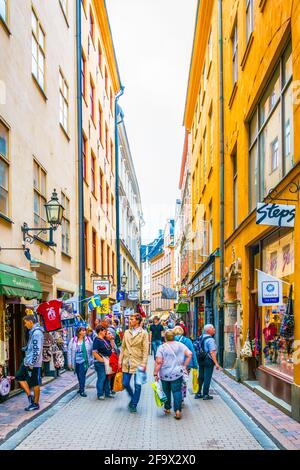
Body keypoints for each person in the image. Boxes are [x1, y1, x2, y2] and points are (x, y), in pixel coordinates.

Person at [154, 330, 192, 420]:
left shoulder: (162, 347)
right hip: (177, 373)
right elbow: (190, 354)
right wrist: (185, 365)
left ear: (165, 337)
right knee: (177, 391)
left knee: (166, 391)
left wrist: (155, 373)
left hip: (164, 374)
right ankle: (177, 411)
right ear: (174, 336)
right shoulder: (180, 345)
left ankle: (167, 408)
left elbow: (159, 362)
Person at [119, 313, 149, 413]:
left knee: (138, 385)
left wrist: (144, 363)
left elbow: (146, 350)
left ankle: (134, 404)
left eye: (132, 319)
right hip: (127, 362)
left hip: (138, 362)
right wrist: (120, 360)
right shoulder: (127, 332)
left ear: (138, 321)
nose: (130, 321)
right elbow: (123, 347)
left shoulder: (144, 333)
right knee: (125, 383)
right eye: (129, 319)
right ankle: (133, 398)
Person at [16, 315, 44, 411]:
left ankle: (35, 403)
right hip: (27, 361)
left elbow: (37, 350)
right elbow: (33, 347)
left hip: (33, 363)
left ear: (31, 322)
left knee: (34, 382)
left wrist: (32, 363)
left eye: (26, 322)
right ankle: (30, 396)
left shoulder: (36, 333)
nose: (25, 325)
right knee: (19, 376)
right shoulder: (33, 332)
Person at [194, 324, 221, 400]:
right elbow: (212, 352)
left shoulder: (201, 337)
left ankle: (198, 393)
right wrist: (216, 363)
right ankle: (206, 394)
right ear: (208, 330)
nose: (214, 329)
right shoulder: (210, 340)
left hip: (200, 359)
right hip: (208, 360)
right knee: (207, 377)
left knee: (201, 376)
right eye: (213, 328)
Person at [67, 327, 93, 397]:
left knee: (82, 375)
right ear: (79, 332)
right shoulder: (73, 340)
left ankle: (82, 390)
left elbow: (92, 350)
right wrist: (69, 362)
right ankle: (81, 387)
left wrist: (91, 359)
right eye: (83, 331)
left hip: (84, 361)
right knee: (79, 375)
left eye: (85, 331)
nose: (84, 332)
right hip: (76, 361)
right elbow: (69, 351)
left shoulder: (88, 340)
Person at [92, 325, 115, 400]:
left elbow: (111, 348)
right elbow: (94, 352)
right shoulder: (97, 340)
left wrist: (111, 340)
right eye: (104, 330)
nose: (105, 332)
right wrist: (101, 360)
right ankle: (100, 393)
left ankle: (107, 393)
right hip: (100, 362)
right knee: (102, 377)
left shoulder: (104, 339)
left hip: (107, 360)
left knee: (107, 377)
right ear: (100, 331)